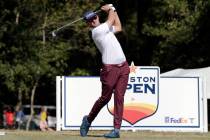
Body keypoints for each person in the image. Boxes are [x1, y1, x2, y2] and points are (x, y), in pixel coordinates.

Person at [80, 4, 130, 138]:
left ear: (97, 16)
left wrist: (114, 10)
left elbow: (118, 26)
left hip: (124, 67)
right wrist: (111, 8)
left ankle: (116, 130)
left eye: (94, 17)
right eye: (90, 20)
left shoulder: (106, 30)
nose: (93, 20)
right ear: (88, 24)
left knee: (119, 97)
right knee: (105, 99)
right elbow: (110, 19)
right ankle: (88, 120)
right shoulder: (96, 32)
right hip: (110, 69)